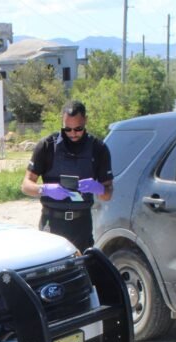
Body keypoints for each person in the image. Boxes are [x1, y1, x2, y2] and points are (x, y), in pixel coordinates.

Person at [21, 100, 113, 251]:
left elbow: (108, 194)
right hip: (51, 223)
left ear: (86, 121)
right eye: (67, 129)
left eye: (78, 129)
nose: (73, 134)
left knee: (82, 270)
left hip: (81, 224)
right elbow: (25, 185)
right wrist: (44, 189)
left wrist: (99, 188)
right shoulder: (46, 146)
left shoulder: (98, 149)